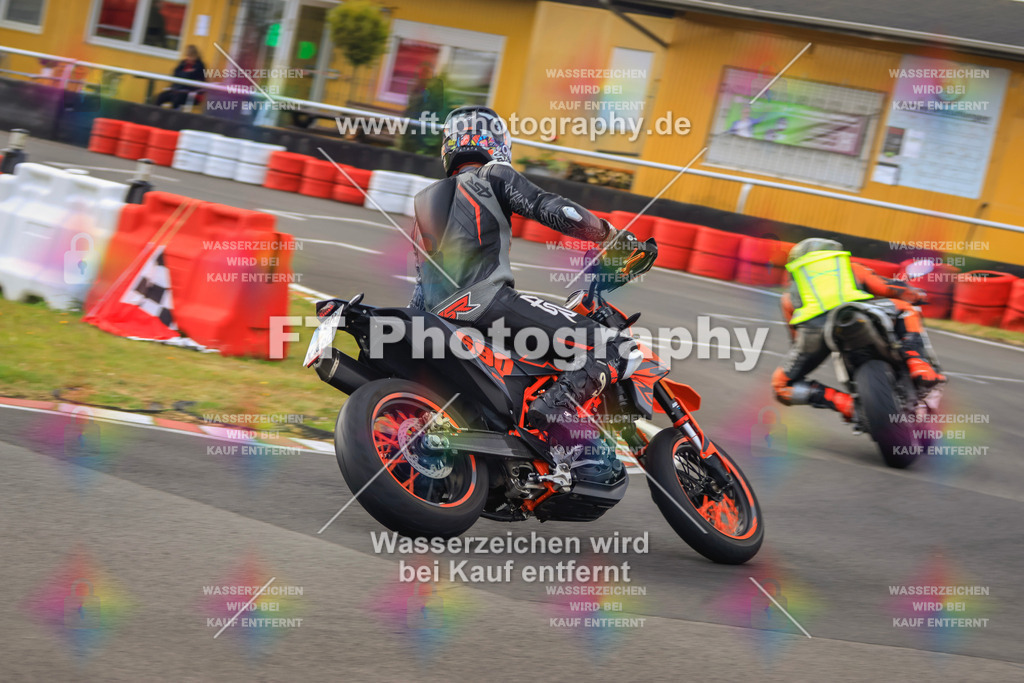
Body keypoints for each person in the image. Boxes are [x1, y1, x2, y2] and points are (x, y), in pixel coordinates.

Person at [409, 106, 654, 468]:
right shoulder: (492, 174)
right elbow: (550, 208)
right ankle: (556, 409)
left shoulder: (424, 203)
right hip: (487, 302)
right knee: (615, 345)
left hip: (440, 317)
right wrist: (609, 235)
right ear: (495, 141)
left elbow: (420, 287)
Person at [771, 238, 945, 420]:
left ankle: (844, 403)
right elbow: (888, 288)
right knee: (907, 310)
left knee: (780, 385)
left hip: (815, 333)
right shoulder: (851, 268)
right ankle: (918, 363)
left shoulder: (789, 296)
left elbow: (796, 337)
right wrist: (914, 294)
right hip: (858, 312)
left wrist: (807, 353)